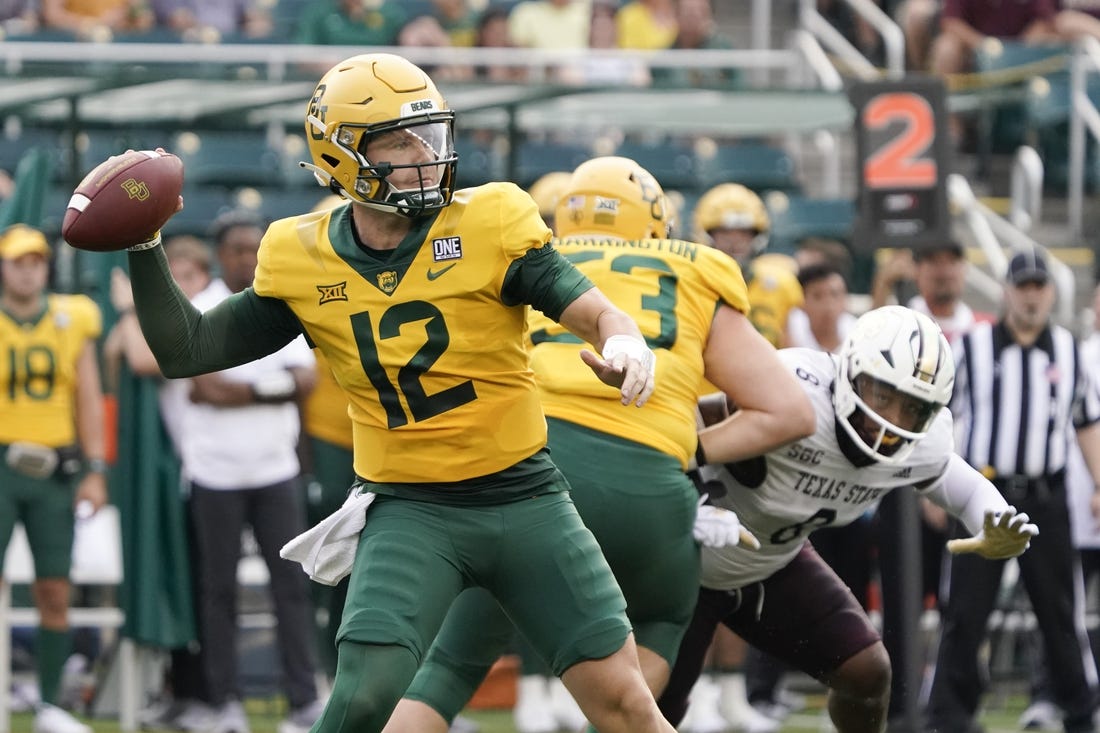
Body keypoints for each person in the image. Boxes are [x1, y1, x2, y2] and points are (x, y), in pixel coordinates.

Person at [118, 53, 675, 733]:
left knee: (624, 703)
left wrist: (622, 337)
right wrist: (143, 246)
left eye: (427, 137)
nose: (423, 156)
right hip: (411, 508)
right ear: (342, 154)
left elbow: (585, 305)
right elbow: (190, 349)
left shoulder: (491, 219)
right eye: (396, 142)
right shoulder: (299, 255)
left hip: (526, 498)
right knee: (360, 699)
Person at [377, 155, 816, 733]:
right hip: (646, 485)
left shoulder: (528, 262)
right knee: (657, 622)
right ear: (655, 219)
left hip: (518, 470)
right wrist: (687, 449)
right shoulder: (698, 268)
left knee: (451, 664)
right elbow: (788, 412)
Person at [656, 304, 1041, 733]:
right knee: (652, 711)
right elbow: (680, 425)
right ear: (849, 370)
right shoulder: (796, 390)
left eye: (912, 408)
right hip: (687, 561)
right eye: (883, 394)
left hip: (770, 563)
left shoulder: (922, 445)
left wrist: (991, 518)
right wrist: (687, 501)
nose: (891, 421)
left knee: (867, 672)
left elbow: (959, 482)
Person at [925, 248, 1100, 733]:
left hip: (1048, 496)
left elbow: (1087, 421)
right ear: (1005, 291)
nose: (1031, 296)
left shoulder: (1068, 350)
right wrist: (932, 487)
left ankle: (1080, 710)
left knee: (1060, 612)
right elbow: (938, 417)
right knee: (964, 609)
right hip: (984, 494)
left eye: (1039, 287)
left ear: (1051, 293)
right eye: (1022, 286)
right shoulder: (971, 347)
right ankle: (950, 715)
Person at [102, 235, 214, 731]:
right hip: (189, 477)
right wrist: (127, 324)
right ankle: (182, 694)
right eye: (174, 278)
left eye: (188, 278)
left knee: (206, 593)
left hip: (211, 476)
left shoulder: (208, 320)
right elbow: (113, 359)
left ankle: (210, 696)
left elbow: (147, 360)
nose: (181, 289)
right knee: (186, 588)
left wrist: (129, 310)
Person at [0, 225, 107, 733]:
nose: (28, 269)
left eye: (36, 261)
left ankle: (47, 704)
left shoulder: (73, 318)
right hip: (1, 465)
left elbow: (88, 398)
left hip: (53, 471)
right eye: (18, 261)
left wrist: (95, 470)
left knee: (54, 589)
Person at [692, 182, 803, 348]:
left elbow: (791, 353)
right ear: (706, 235)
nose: (735, 242)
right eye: (725, 233)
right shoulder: (693, 284)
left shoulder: (781, 284)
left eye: (744, 233)